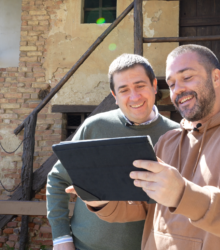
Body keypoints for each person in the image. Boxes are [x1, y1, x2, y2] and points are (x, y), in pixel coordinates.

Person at [75, 45, 220, 250]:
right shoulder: (168, 141)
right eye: (172, 83)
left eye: (187, 77)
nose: (179, 89)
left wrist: (182, 194)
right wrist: (100, 199)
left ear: (215, 77)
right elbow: (142, 206)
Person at [47, 54, 179, 250]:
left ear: (154, 85)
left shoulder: (177, 136)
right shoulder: (95, 127)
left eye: (140, 85)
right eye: (124, 90)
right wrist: (61, 238)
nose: (134, 96)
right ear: (114, 96)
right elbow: (57, 179)